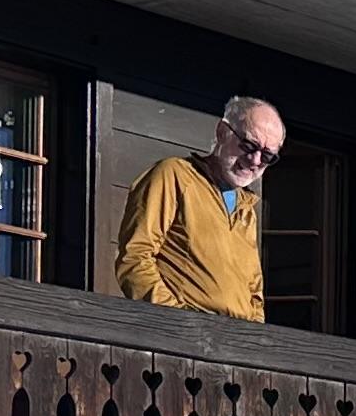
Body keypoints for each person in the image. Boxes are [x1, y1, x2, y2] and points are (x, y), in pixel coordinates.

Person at [114, 98, 282, 318]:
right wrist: (177, 321)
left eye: (267, 156)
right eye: (249, 145)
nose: (255, 160)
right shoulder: (175, 175)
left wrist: (251, 337)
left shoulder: (247, 208)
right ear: (222, 132)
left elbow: (254, 293)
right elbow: (135, 257)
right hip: (184, 339)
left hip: (234, 344)